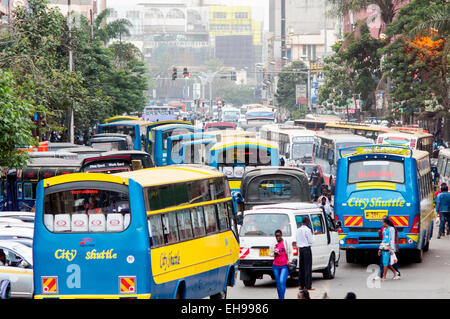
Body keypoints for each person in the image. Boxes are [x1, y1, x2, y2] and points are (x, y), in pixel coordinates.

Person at [296, 217, 314, 291]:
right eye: (308, 222)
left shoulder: (298, 230)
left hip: (301, 249)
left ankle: (301, 285)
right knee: (307, 268)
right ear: (307, 222)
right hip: (306, 249)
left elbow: (297, 240)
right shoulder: (307, 230)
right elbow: (311, 241)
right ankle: (308, 285)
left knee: (301, 267)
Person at [271, 230, 290, 299]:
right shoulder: (273, 244)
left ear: (281, 235)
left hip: (284, 265)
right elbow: (270, 254)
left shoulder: (285, 242)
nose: (278, 237)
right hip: (275, 266)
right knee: (278, 283)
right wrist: (274, 254)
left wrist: (289, 261)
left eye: (279, 235)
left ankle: (282, 298)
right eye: (276, 236)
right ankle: (280, 297)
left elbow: (289, 252)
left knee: (282, 281)